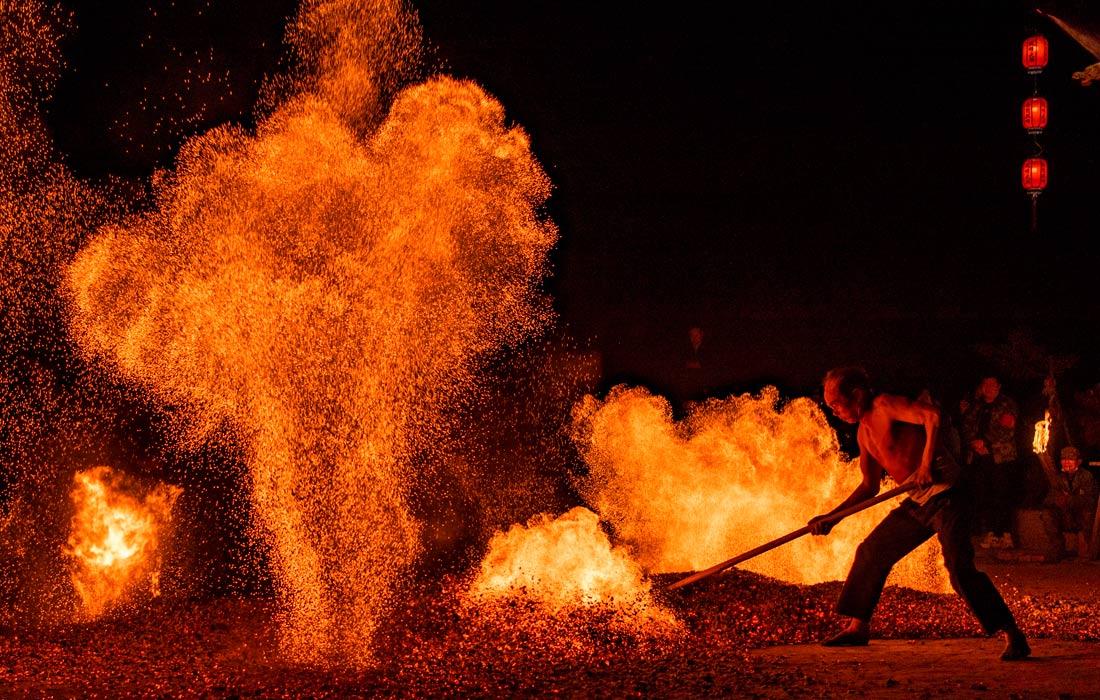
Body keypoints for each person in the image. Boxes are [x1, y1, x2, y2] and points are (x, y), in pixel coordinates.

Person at [810, 366, 1030, 661]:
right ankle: (857, 628)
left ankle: (1012, 634)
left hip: (948, 494)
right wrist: (832, 518)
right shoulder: (864, 434)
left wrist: (926, 465)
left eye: (837, 403)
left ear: (857, 394)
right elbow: (869, 486)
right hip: (918, 501)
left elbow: (932, 416)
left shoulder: (885, 405)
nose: (834, 411)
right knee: (872, 551)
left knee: (958, 568)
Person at [960, 374, 1021, 549]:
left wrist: (986, 442)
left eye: (992, 384)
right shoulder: (977, 407)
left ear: (999, 386)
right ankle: (991, 533)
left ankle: (1005, 532)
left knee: (1002, 494)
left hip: (1001, 457)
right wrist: (975, 443)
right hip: (979, 457)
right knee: (984, 495)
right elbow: (967, 426)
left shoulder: (1006, 405)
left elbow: (1007, 428)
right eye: (985, 384)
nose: (988, 388)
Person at [1044, 446, 1098, 560]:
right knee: (1048, 515)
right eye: (1063, 459)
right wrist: (1057, 500)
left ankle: (1091, 550)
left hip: (1081, 516)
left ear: (1078, 461)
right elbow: (1049, 499)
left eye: (1070, 459)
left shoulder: (1086, 477)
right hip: (1065, 515)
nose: (1066, 463)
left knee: (1088, 514)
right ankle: (1057, 549)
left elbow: (1090, 500)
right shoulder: (1058, 479)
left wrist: (1069, 500)